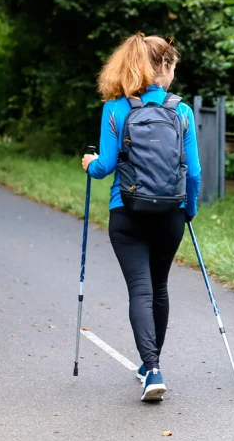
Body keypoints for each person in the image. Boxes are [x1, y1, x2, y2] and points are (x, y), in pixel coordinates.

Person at [82, 33, 201, 401]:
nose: (173, 76)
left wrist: (89, 165)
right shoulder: (181, 112)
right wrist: (189, 209)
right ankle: (153, 365)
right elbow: (193, 173)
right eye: (173, 69)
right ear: (163, 67)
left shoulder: (115, 108)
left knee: (140, 288)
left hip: (127, 212)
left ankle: (151, 368)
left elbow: (104, 167)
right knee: (159, 286)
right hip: (170, 215)